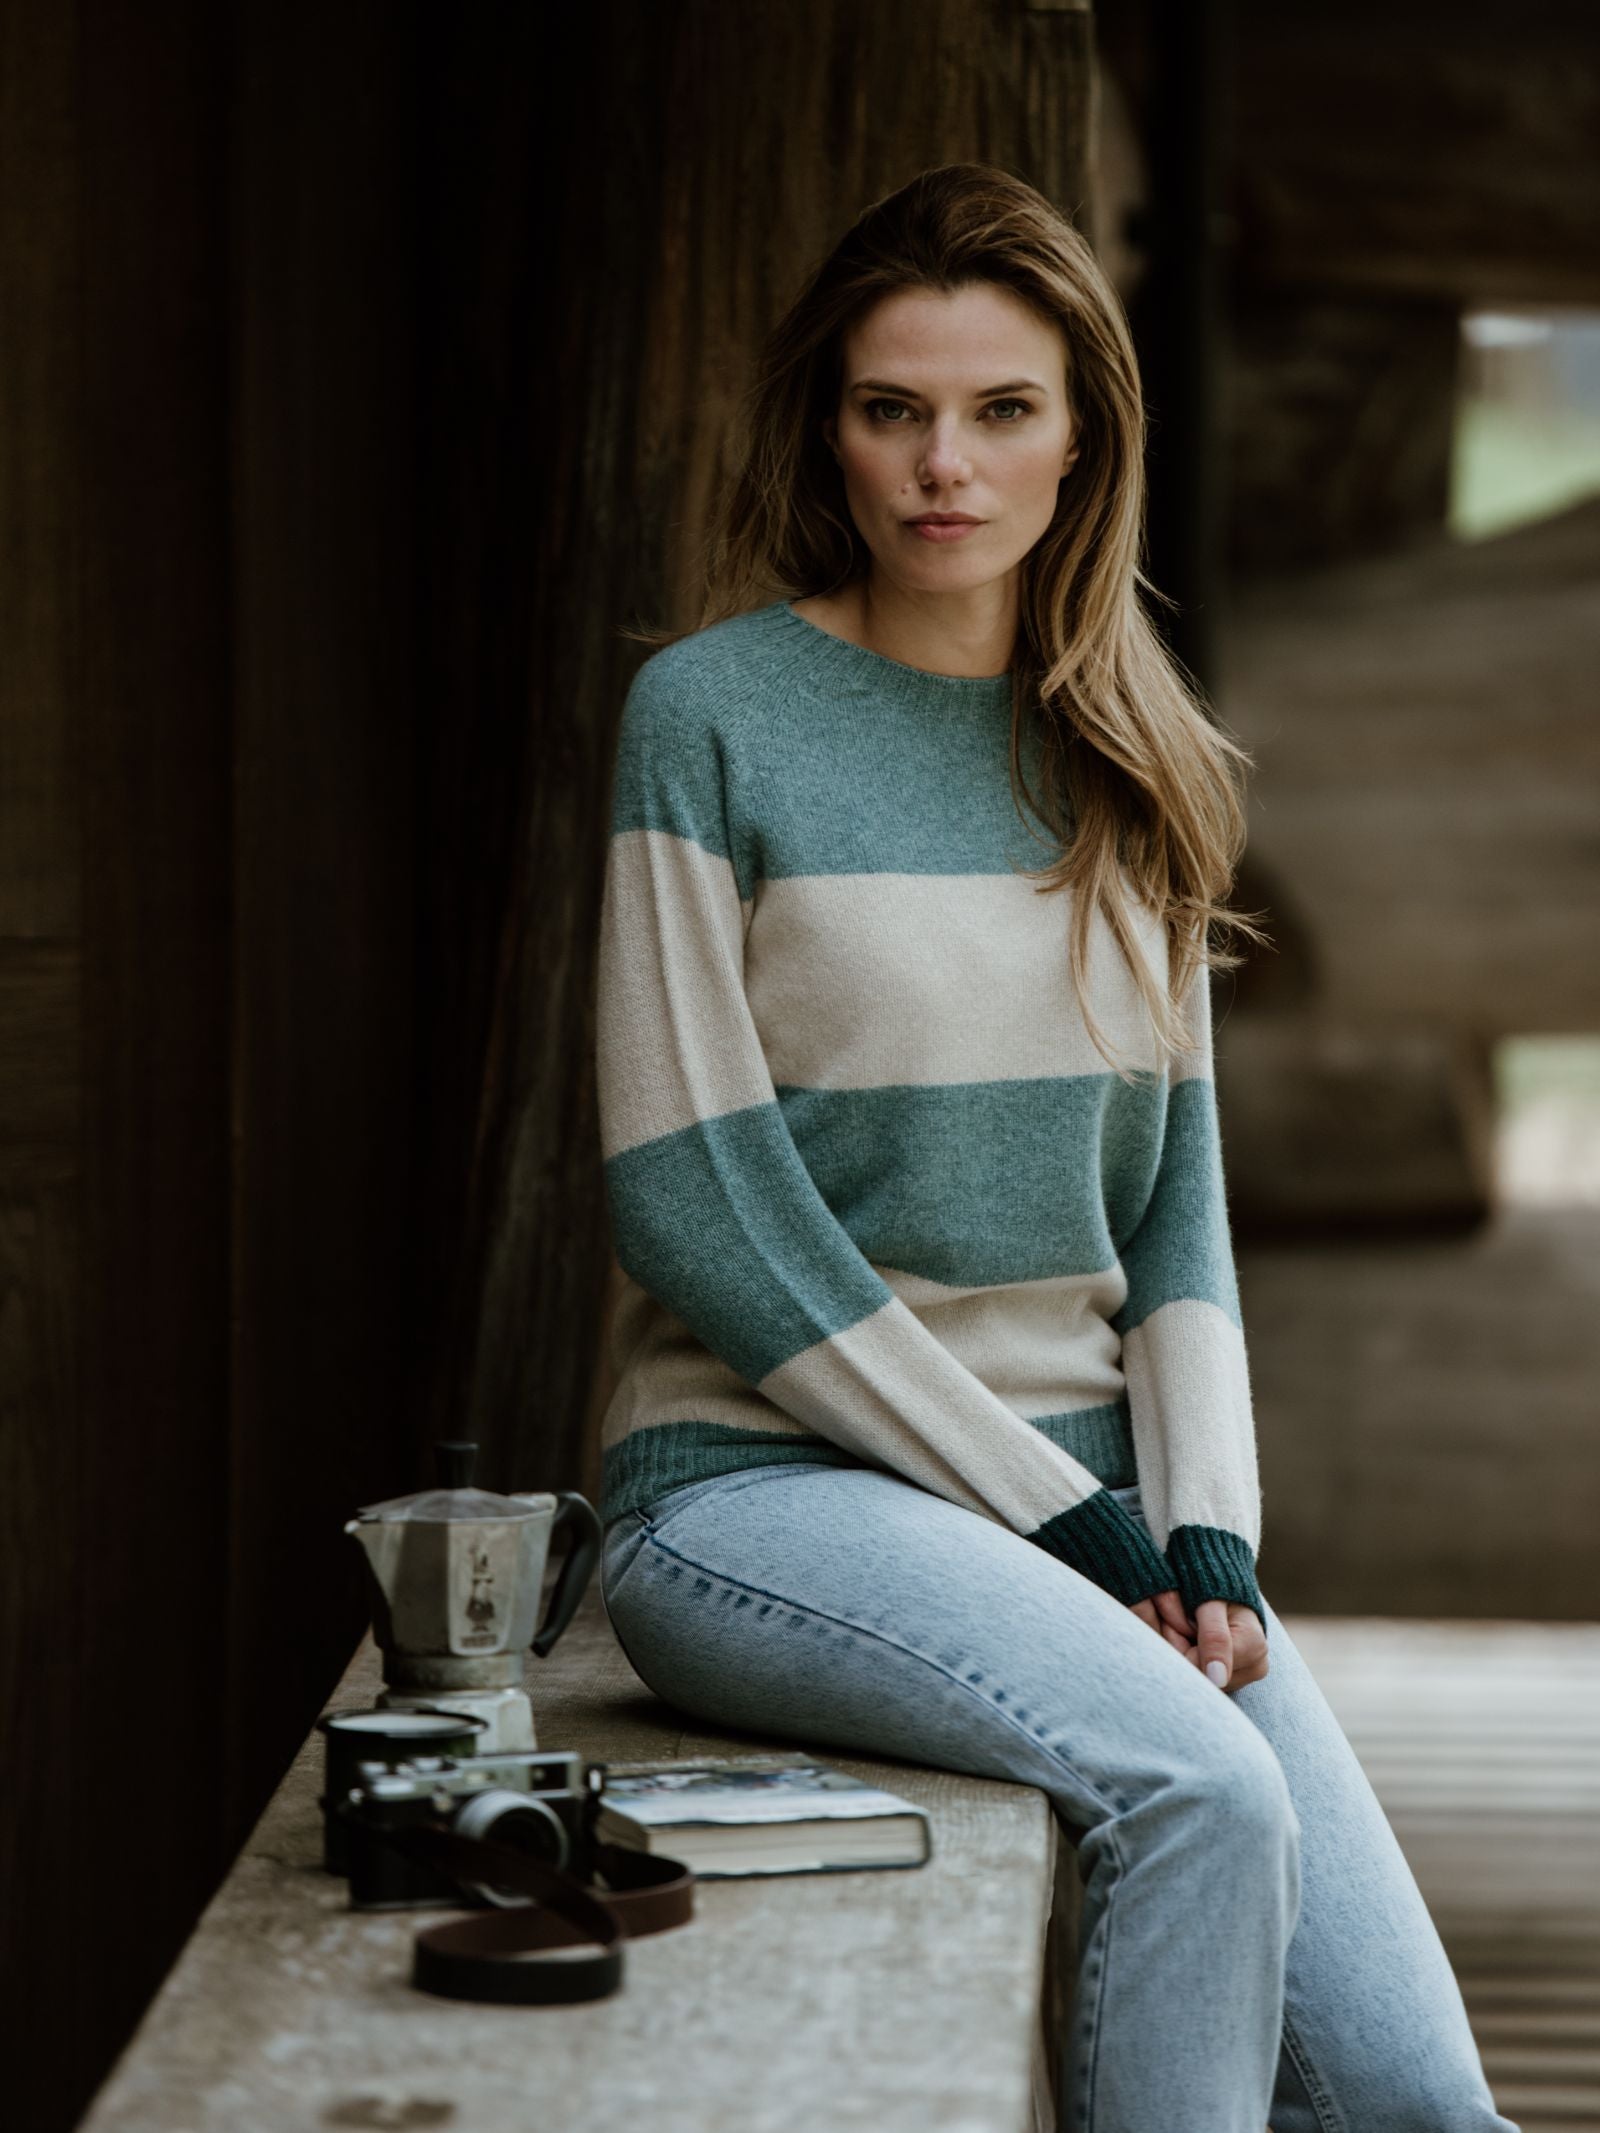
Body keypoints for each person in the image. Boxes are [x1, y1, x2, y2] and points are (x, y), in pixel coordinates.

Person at [591, 164, 1516, 2133]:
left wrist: (1201, 1535)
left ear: (1082, 431)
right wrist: (1064, 1525)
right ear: (823, 425)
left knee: (1423, 2104)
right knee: (1188, 1780)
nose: (943, 464)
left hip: (1089, 1523)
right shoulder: (714, 717)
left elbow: (1174, 1207)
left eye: (1000, 409)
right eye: (889, 407)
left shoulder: (1135, 747)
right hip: (764, 1493)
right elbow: (694, 1195)